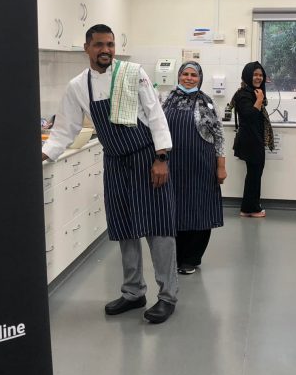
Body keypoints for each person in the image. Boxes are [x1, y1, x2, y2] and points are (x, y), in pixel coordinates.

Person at [42, 24, 178, 324]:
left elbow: (155, 115)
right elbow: (65, 128)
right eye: (100, 45)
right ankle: (133, 292)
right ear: (87, 48)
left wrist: (161, 158)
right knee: (124, 227)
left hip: (146, 158)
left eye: (111, 44)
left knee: (158, 229)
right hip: (115, 161)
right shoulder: (78, 86)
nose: (106, 50)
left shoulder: (133, 73)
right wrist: (44, 154)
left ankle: (167, 295)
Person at [162, 61, 226, 275]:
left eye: (194, 75)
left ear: (200, 78)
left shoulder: (206, 103)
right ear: (179, 76)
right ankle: (177, 256)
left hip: (201, 165)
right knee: (175, 210)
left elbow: (219, 136)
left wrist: (221, 167)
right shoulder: (167, 100)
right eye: (185, 74)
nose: (189, 78)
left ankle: (191, 258)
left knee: (199, 210)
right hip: (173, 166)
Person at [231, 61, 274, 218]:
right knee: (254, 174)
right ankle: (250, 208)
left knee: (254, 173)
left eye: (261, 75)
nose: (258, 77)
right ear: (248, 75)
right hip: (250, 140)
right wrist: (259, 99)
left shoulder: (253, 92)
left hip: (254, 138)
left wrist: (260, 97)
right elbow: (249, 115)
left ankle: (250, 206)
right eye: (255, 74)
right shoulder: (243, 94)